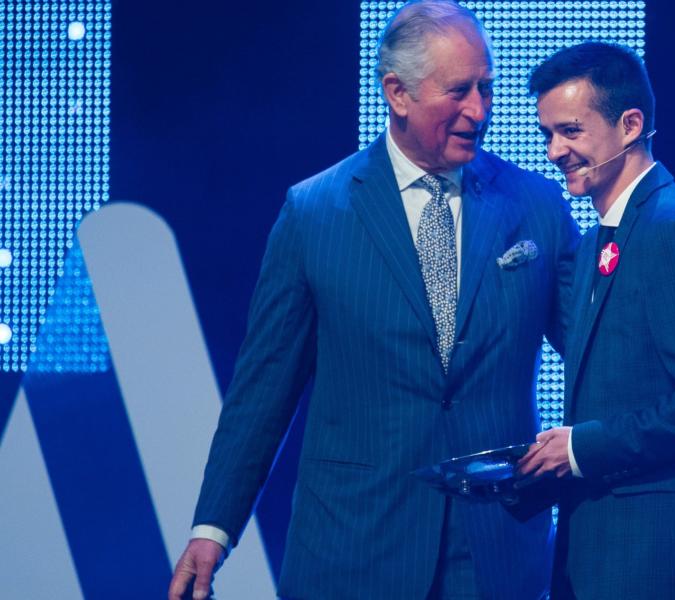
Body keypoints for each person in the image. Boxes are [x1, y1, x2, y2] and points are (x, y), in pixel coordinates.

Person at [168, 2, 577, 599]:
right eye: (458, 90)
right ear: (397, 93)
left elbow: (601, 351)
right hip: (354, 548)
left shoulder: (536, 204)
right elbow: (263, 391)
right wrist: (214, 526)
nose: (479, 110)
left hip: (495, 551)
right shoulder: (314, 213)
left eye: (487, 88)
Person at [517, 42, 675, 599]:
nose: (556, 150)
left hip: (669, 562)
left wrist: (582, 447)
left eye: (571, 132)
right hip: (617, 556)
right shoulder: (599, 241)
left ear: (630, 125)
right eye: (548, 135)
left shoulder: (672, 231)